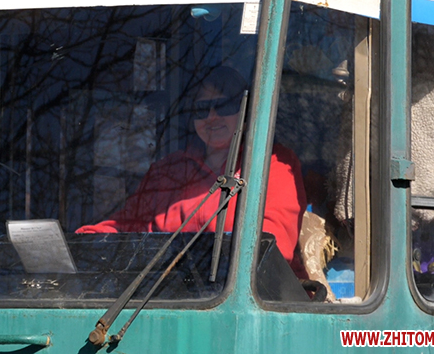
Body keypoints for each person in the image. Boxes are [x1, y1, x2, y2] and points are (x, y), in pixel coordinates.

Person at [76, 66, 307, 264]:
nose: (212, 116)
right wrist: (83, 244)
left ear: (245, 114)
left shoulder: (270, 164)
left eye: (224, 106)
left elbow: (271, 248)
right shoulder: (167, 171)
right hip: (169, 291)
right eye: (201, 109)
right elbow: (126, 226)